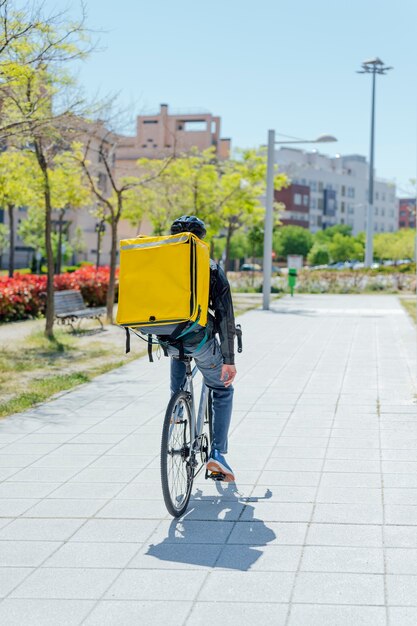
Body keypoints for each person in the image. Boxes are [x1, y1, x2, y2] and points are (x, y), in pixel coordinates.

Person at [163, 215, 237, 482]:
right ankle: (217, 454)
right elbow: (225, 316)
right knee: (222, 388)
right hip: (199, 339)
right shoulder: (211, 269)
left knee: (178, 349)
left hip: (165, 337)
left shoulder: (159, 264)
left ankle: (177, 409)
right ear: (202, 240)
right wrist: (228, 359)